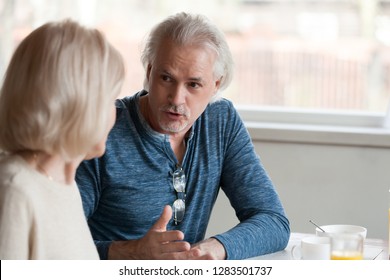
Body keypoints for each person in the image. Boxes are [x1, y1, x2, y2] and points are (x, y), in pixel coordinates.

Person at [76, 12, 290, 260]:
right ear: (149, 71)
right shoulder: (105, 126)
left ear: (216, 85)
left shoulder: (220, 121)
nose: (176, 99)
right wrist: (129, 252)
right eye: (166, 78)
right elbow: (57, 244)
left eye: (193, 85)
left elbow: (273, 221)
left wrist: (216, 247)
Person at [0, 19, 125, 259]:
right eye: (110, 99)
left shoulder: (65, 185)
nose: (116, 113)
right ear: (79, 105)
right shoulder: (14, 191)